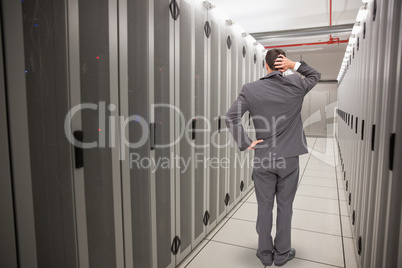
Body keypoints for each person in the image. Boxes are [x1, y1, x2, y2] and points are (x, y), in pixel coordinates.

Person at [225, 49, 321, 267]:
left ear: (265, 66)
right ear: (282, 65)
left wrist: (246, 142)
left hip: (264, 158)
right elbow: (315, 75)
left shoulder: (250, 89)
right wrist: (294, 65)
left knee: (264, 206)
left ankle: (265, 253)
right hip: (289, 159)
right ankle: (282, 254)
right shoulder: (297, 85)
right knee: (285, 207)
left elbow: (231, 117)